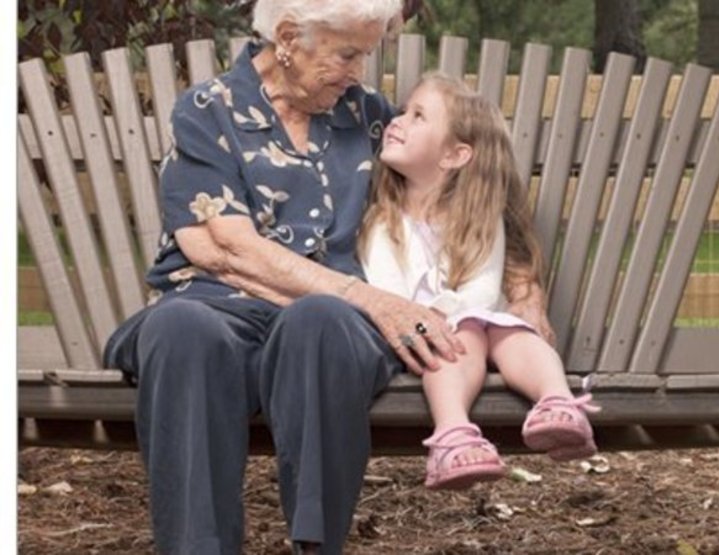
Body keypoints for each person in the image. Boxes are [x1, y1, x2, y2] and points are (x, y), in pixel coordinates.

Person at [97, 1, 550, 553]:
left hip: (333, 329)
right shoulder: (207, 111)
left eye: (364, 54)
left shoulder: (365, 117)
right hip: (218, 308)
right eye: (348, 54)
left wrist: (527, 296)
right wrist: (372, 299)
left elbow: (484, 184)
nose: (360, 71)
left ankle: (316, 544)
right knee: (181, 330)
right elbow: (222, 248)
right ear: (288, 37)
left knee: (319, 319)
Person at [358, 73, 600, 491]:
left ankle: (557, 403)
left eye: (417, 116)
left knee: (517, 333)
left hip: (475, 327)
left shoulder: (479, 220)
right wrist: (442, 320)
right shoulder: (382, 222)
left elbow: (485, 291)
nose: (397, 122)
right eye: (402, 112)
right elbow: (388, 296)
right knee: (468, 331)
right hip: (414, 339)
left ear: (455, 155)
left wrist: (456, 316)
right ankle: (452, 435)